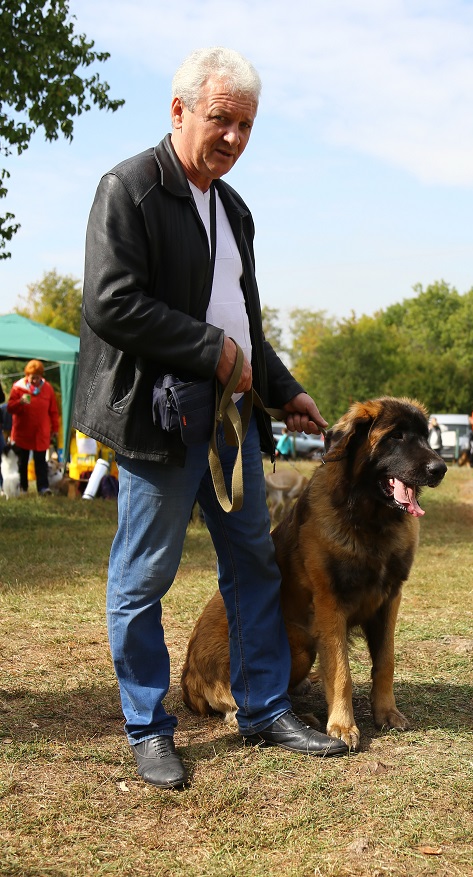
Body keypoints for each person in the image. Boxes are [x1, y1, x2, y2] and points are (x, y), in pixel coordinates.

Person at [73, 46, 349, 790]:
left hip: (230, 423)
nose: (232, 137)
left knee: (253, 563)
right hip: (160, 424)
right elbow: (110, 301)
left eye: (246, 126)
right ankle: (148, 727)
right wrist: (212, 350)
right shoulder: (127, 188)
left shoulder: (234, 209)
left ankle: (262, 708)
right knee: (145, 576)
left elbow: (244, 324)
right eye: (221, 119)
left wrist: (281, 385)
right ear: (180, 110)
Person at [7, 360, 59, 494]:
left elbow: (53, 411)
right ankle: (22, 488)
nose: (34, 380)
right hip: (22, 432)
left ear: (41, 376)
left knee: (40, 462)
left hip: (40, 432)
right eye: (32, 377)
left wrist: (55, 429)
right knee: (22, 462)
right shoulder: (18, 387)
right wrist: (20, 402)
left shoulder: (47, 388)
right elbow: (10, 408)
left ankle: (43, 488)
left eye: (37, 377)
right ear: (27, 376)